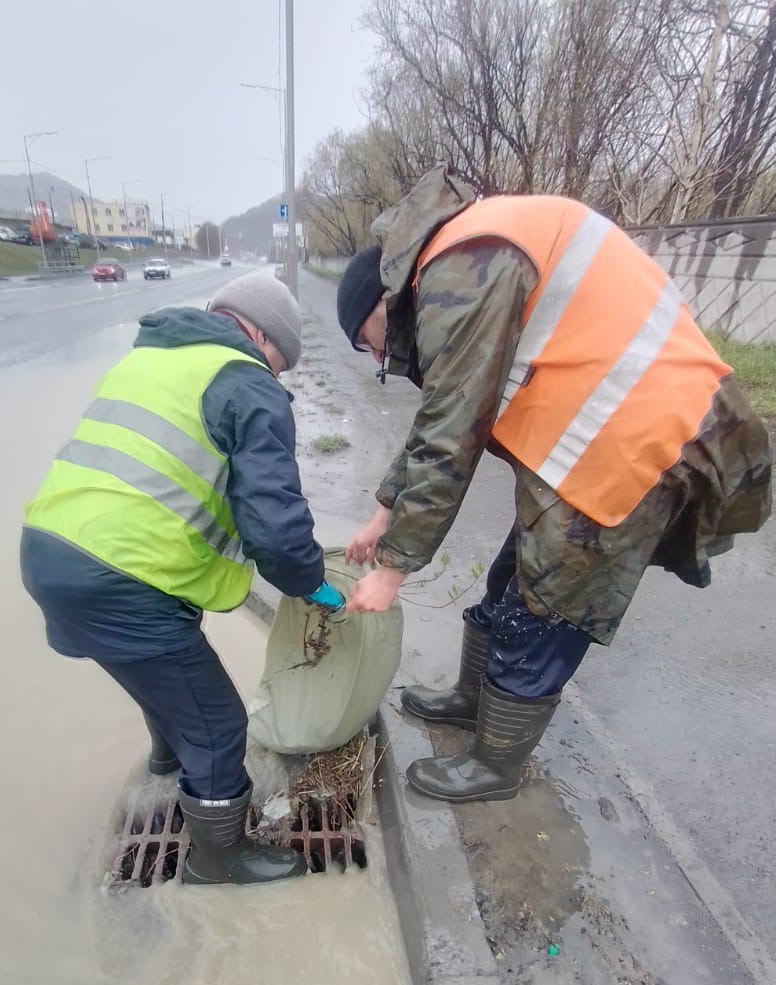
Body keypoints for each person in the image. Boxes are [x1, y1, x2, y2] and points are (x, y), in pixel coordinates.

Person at [335, 166, 772, 804]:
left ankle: (494, 766)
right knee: (508, 580)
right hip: (594, 440)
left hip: (638, 441)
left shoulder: (463, 267)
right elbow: (444, 414)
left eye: (365, 344)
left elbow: (450, 434)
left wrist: (394, 569)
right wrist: (383, 512)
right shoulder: (461, 253)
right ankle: (469, 700)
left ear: (378, 305)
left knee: (544, 608)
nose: (377, 358)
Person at [21, 271, 344, 885]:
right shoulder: (247, 382)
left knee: (164, 672)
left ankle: (168, 760)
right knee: (220, 725)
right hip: (120, 577)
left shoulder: (147, 362)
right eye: (280, 363)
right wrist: (309, 583)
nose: (276, 376)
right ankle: (219, 860)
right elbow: (274, 528)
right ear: (261, 337)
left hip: (49, 553)